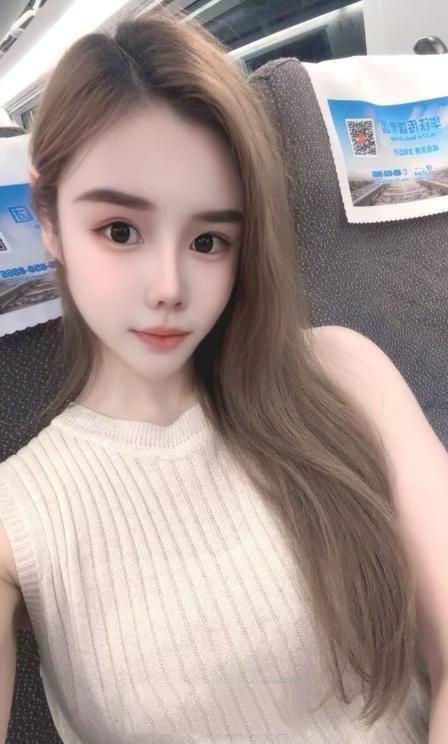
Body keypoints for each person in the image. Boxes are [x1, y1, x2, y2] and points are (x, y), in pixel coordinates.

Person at [0, 9, 447, 744]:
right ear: (48, 219)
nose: (168, 287)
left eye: (209, 241)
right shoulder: (19, 517)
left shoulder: (340, 373)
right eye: (120, 231)